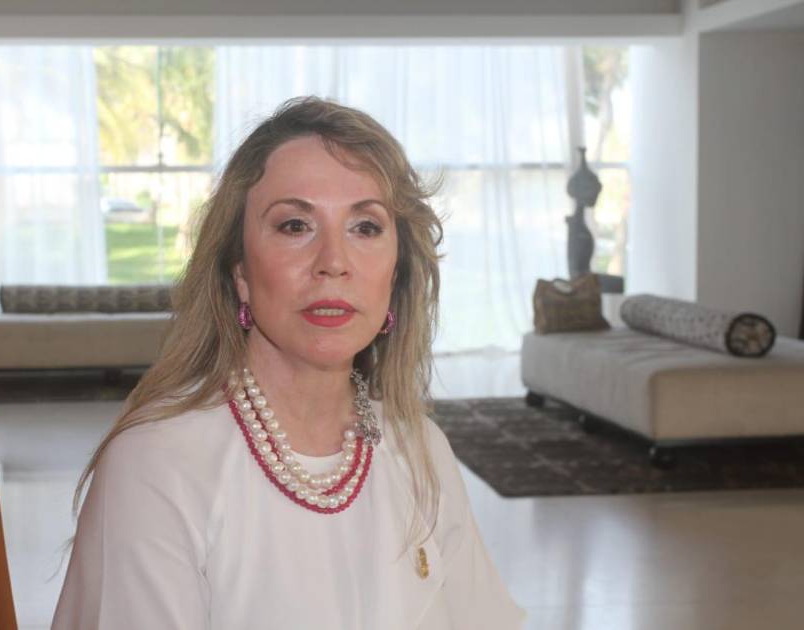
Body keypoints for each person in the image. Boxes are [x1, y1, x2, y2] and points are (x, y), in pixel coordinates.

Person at [52, 97, 525, 629]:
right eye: (295, 225)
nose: (333, 263)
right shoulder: (158, 463)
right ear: (240, 273)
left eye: (365, 227)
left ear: (395, 275)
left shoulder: (420, 449)